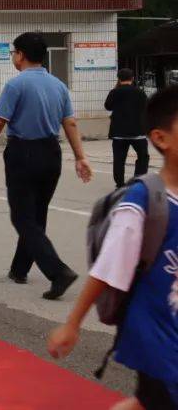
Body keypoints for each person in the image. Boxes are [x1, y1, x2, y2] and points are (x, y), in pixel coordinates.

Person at [47, 84, 178, 410]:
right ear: (161, 139)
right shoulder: (144, 201)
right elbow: (109, 267)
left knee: (148, 402)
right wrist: (72, 324)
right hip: (158, 337)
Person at [0, 32, 92, 300]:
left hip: (23, 152)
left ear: (21, 55)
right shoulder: (59, 85)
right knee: (37, 215)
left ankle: (58, 272)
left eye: (14, 52)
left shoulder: (16, 85)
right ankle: (19, 269)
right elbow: (70, 123)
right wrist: (80, 156)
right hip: (52, 153)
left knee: (22, 217)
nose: (13, 57)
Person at [107, 68, 150, 189]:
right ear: (132, 79)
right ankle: (138, 180)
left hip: (119, 132)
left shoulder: (114, 92)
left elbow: (108, 106)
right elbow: (147, 107)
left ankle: (120, 184)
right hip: (138, 131)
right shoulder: (139, 92)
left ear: (119, 79)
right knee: (143, 156)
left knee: (119, 159)